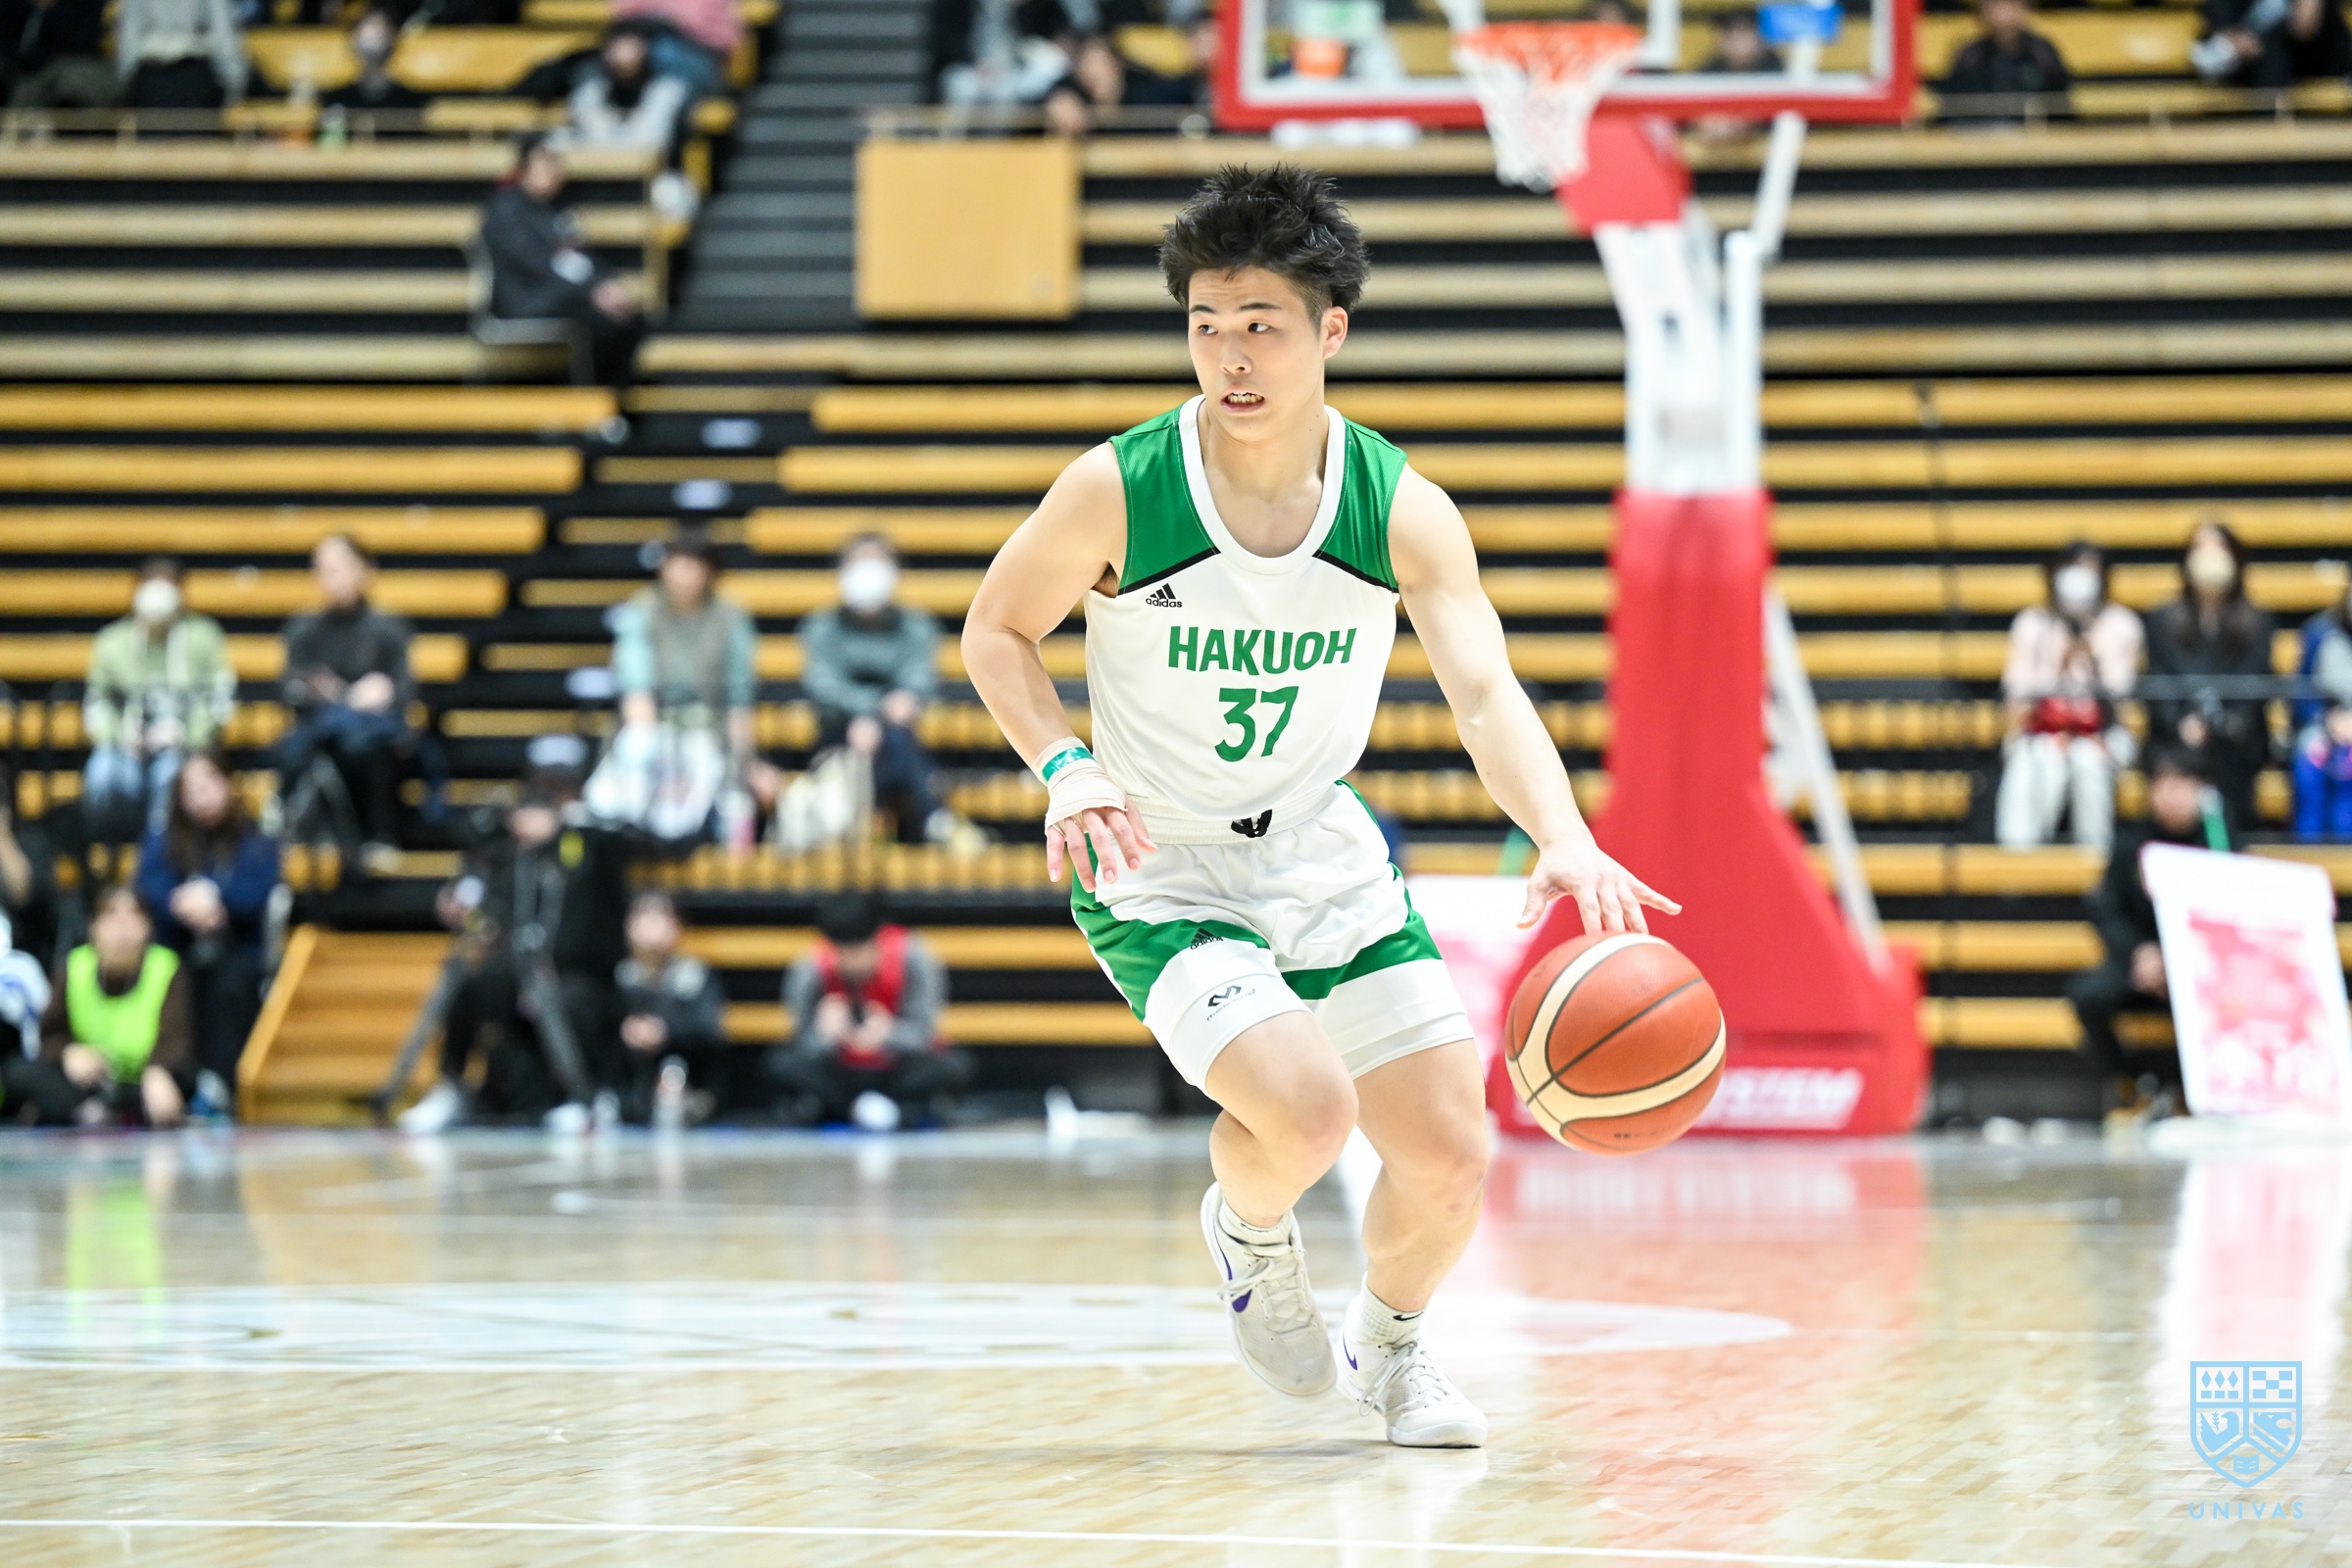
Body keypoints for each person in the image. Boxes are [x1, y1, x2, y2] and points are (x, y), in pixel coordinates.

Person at [958, 166, 1672, 1448]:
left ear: (1330, 329)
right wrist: (1066, 763)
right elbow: (996, 629)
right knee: (1305, 1112)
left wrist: (1562, 833)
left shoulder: (1397, 507)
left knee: (1451, 1154)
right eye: (1206, 326)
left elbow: (1483, 690)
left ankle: (1393, 1349)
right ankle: (1247, 1229)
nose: (1230, 358)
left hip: (1318, 846)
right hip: (1159, 857)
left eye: (1262, 326)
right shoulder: (1121, 488)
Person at [399, 768, 634, 1133]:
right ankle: (452, 1086)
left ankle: (585, 1096)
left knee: (572, 1002)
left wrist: (568, 826)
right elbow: (482, 903)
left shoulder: (583, 849)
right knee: (472, 987)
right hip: (518, 968)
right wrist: (464, 907)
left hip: (576, 973)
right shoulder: (506, 857)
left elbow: (617, 849)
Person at [2065, 744, 2229, 1120]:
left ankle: (2198, 1093)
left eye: (2182, 784)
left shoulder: (2219, 843)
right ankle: (2131, 1085)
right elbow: (2106, 910)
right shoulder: (2131, 844)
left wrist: (2179, 960)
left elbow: (2228, 917)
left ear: (2200, 790)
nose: (2173, 795)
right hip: (2138, 965)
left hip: (2198, 968)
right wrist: (2140, 953)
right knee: (2087, 996)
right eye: (2164, 784)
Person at [134, 751, 278, 1110]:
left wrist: (218, 902)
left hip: (235, 948)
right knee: (171, 982)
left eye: (210, 783)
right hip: (175, 946)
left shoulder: (255, 840)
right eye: (192, 788)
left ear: (228, 785)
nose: (203, 795)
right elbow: (148, 886)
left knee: (230, 984)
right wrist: (178, 901)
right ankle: (175, 1081)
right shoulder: (163, 840)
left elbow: (258, 892)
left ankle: (221, 1085)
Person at [602, 524, 758, 841]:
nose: (684, 575)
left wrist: (744, 766)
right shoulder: (642, 610)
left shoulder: (731, 618)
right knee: (617, 793)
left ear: (709, 572)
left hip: (709, 735)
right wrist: (658, 757)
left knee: (707, 812)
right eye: (677, 564)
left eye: (694, 566)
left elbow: (739, 702)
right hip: (652, 731)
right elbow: (636, 691)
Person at [795, 534, 949, 845]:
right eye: (858, 563)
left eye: (876, 562)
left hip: (897, 737)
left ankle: (906, 823)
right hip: (836, 736)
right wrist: (872, 711)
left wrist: (879, 717)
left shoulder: (917, 626)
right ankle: (929, 818)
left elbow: (918, 681)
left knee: (897, 740)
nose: (867, 572)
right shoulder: (821, 626)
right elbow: (823, 685)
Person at [766, 895, 967, 1130]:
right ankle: (893, 1113)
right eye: (842, 953)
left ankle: (852, 1111)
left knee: (954, 1065)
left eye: (859, 951)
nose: (851, 963)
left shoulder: (914, 957)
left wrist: (889, 1034)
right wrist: (824, 1035)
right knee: (780, 1063)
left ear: (878, 939)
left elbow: (924, 1033)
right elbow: (802, 1041)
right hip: (840, 1073)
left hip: (896, 1068)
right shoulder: (810, 968)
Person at [1, 886, 194, 1128]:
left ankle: (98, 1115)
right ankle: (90, 1112)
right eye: (111, 917)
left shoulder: (166, 967)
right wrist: (69, 1053)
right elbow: (48, 1035)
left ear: (149, 928)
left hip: (143, 1079)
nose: (122, 930)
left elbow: (176, 1039)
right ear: (93, 927)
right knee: (18, 1072)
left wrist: (158, 1070)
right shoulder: (74, 966)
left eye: (133, 918)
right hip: (91, 1081)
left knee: (186, 1079)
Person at [1994, 541, 2141, 855]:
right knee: (2039, 761)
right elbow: (2016, 704)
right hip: (2041, 733)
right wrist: (2056, 669)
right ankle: (2019, 860)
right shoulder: (2033, 623)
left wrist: (2092, 660)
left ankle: (2096, 858)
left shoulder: (2121, 624)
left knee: (2087, 761)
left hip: (2104, 734)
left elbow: (2123, 703)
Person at [278, 533, 416, 863]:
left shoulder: (388, 629)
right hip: (320, 731)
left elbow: (404, 691)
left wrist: (382, 694)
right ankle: (310, 833)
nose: (332, 579)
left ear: (364, 569)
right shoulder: (304, 629)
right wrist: (342, 694)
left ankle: (378, 834)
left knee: (363, 748)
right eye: (323, 570)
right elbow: (290, 688)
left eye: (339, 568)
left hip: (373, 734)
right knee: (291, 753)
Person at [81, 556, 234, 845]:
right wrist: (120, 735)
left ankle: (159, 849)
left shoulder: (204, 637)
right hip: (124, 748)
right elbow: (97, 702)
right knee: (102, 772)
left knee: (173, 773)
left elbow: (219, 697)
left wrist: (187, 734)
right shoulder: (112, 642)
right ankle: (104, 845)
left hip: (182, 747)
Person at [477, 133, 645, 386]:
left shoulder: (556, 211)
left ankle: (615, 400)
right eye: (545, 162)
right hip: (525, 301)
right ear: (524, 167)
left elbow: (579, 259)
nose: (553, 170)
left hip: (560, 295)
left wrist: (605, 284)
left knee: (633, 319)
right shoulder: (506, 210)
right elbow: (537, 264)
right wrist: (592, 292)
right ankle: (594, 398)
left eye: (556, 162)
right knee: (602, 323)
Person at [2143, 517, 2276, 836]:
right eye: (2201, 548)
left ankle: (2226, 845)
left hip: (2235, 740)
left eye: (2219, 548)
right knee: (2173, 766)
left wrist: (2222, 724)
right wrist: (2182, 724)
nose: (2210, 556)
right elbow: (2159, 683)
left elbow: (2252, 688)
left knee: (2228, 762)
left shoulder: (2257, 622)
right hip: (2175, 738)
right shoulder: (2162, 620)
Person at [613, 889, 729, 1125]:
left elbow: (710, 1030)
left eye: (660, 917)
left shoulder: (695, 975)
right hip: (633, 1076)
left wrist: (664, 1032)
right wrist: (628, 1032)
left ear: (677, 926)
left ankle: (685, 1100)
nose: (652, 926)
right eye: (644, 917)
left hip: (687, 1069)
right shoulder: (622, 977)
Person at [1937, 0, 2072, 123]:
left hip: (2035, 135)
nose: (2003, 14)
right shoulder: (1969, 56)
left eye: (2011, 5)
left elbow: (2061, 107)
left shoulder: (2043, 53)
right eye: (1996, 5)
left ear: (2024, 9)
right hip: (1979, 134)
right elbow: (1952, 108)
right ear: (1983, 12)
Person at [567, 21, 688, 155]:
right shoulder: (588, 93)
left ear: (646, 51)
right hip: (597, 166)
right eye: (619, 46)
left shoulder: (668, 91)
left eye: (633, 47)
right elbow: (592, 144)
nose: (626, 55)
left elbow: (652, 143)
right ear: (606, 53)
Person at [2290, 583, 2352, 840]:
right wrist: (2327, 720)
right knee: (2311, 755)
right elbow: (2301, 692)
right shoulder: (2320, 632)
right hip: (2325, 726)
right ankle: (2310, 846)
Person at [2191, 0, 2351, 88]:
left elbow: (2305, 28)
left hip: (2309, 64)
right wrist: (2236, 41)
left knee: (2274, 54)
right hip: (2245, 70)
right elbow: (2221, 26)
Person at [115, 0, 246, 107]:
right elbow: (224, 36)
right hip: (154, 78)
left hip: (192, 75)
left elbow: (128, 43)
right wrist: (234, 85)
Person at [1, 0, 114, 108]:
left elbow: (82, 43)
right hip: (19, 69)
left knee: (76, 83)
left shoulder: (86, 4)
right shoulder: (12, 5)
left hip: (67, 65)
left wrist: (51, 9)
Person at [320, 7, 424, 117]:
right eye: (364, 28)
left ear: (392, 37)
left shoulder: (410, 101)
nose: (371, 35)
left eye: (378, 28)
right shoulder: (336, 99)